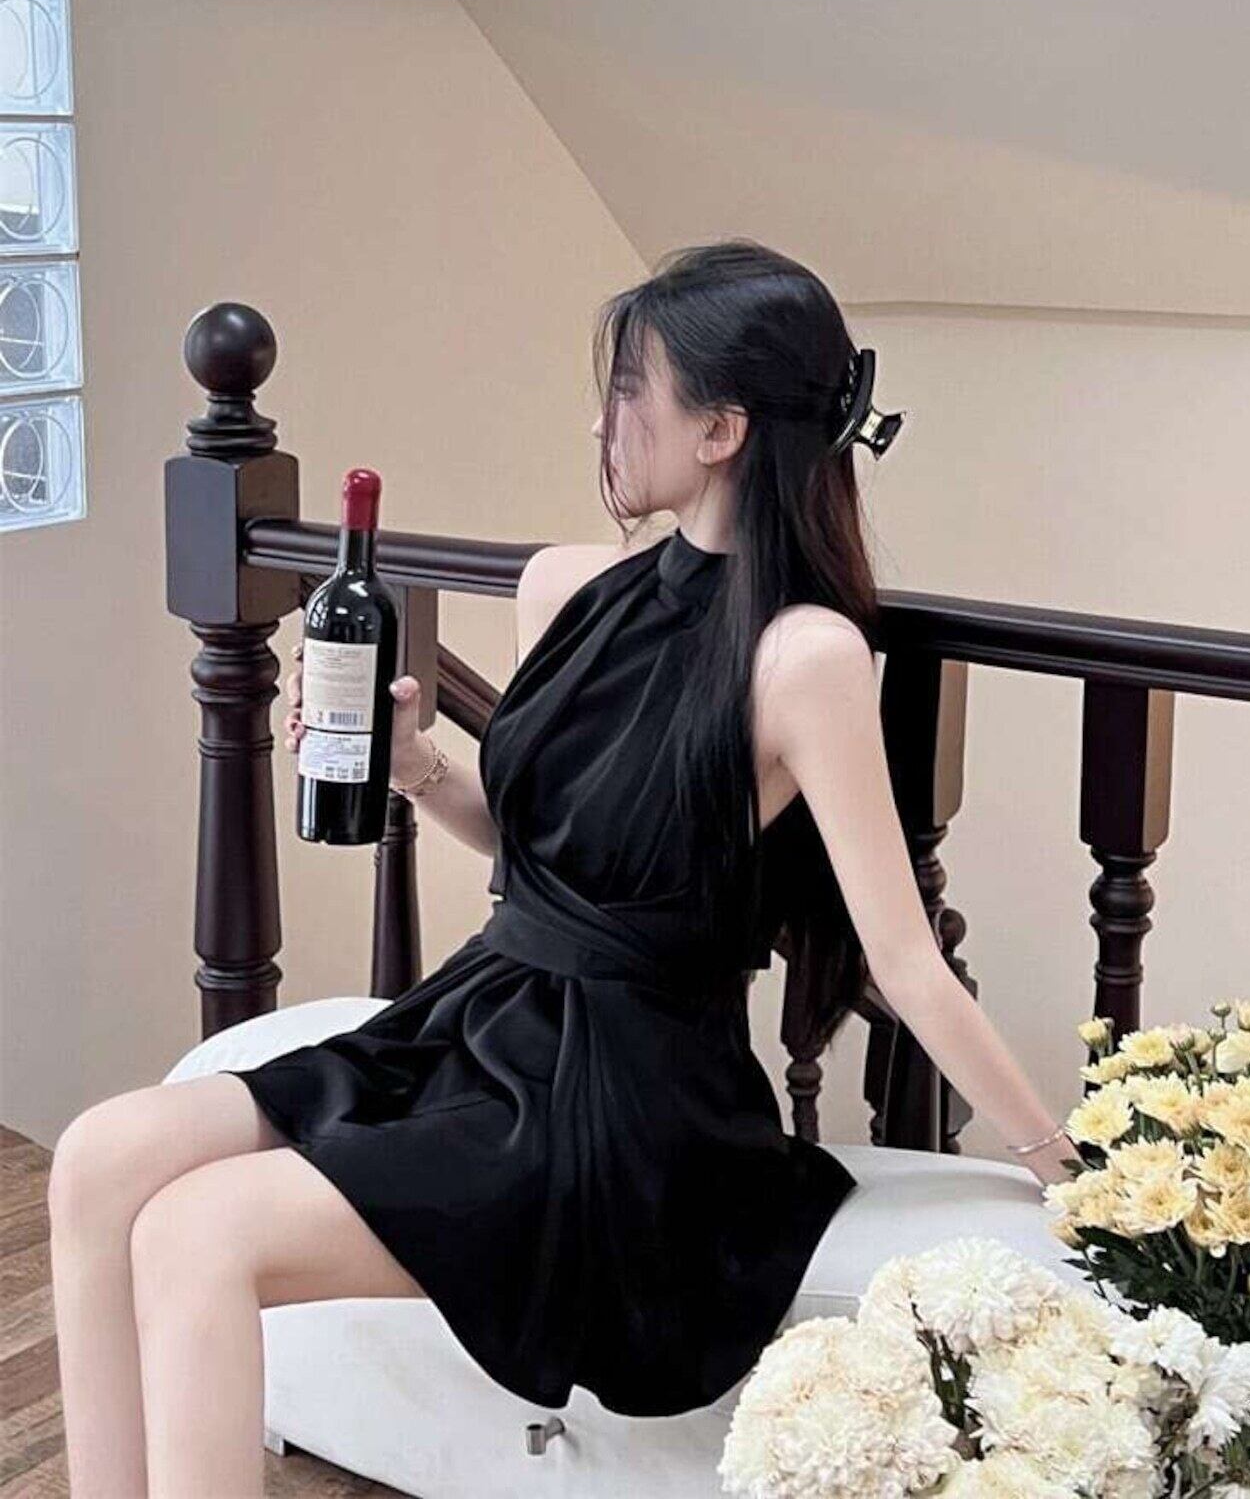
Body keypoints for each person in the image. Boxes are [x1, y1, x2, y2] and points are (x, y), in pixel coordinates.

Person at [48, 239, 1080, 1497]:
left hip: (628, 1094)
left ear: (721, 431)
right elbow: (538, 850)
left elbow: (903, 960)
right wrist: (419, 766)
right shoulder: (567, 586)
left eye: (631, 390)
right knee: (102, 1156)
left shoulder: (802, 657)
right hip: (479, 1016)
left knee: (197, 1231)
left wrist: (1064, 1164)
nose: (603, 421)